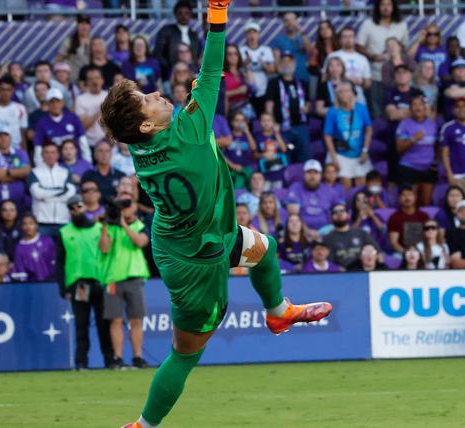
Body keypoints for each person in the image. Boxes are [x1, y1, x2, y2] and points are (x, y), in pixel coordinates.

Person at [100, 6, 332, 427]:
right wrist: (218, 13)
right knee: (184, 354)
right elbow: (211, 69)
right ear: (147, 126)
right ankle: (143, 425)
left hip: (188, 235)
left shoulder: (139, 143)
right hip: (196, 264)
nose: (157, 95)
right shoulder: (190, 131)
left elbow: (142, 118)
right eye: (147, 100)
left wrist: (182, 100)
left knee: (265, 249)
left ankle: (278, 312)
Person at [56, 196, 112, 371]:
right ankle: (81, 362)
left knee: (104, 323)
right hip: (79, 284)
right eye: (71, 208)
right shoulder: (64, 232)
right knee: (81, 324)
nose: (76, 210)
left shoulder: (98, 228)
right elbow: (60, 262)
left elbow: (107, 251)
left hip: (99, 282)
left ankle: (110, 360)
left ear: (85, 207)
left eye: (78, 206)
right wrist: (63, 287)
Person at [99, 192, 151, 370]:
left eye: (127, 205)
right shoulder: (110, 227)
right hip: (113, 279)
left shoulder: (140, 226)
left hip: (134, 277)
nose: (124, 209)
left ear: (135, 207)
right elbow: (104, 248)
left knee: (136, 320)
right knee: (116, 320)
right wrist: (105, 225)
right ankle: (118, 357)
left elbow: (140, 242)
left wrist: (123, 225)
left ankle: (137, 357)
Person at [323, 80, 373, 189]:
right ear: (337, 95)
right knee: (346, 185)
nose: (344, 94)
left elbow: (368, 129)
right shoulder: (332, 111)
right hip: (341, 153)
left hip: (359, 152)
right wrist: (334, 157)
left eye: (347, 91)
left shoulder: (361, 108)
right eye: (341, 92)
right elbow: (327, 135)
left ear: (352, 93)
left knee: (362, 184)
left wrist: (365, 150)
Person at [263, 51, 310, 163]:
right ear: (279, 64)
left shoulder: (302, 82)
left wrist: (307, 108)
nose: (286, 64)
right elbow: (269, 106)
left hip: (301, 127)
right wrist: (273, 123)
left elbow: (308, 102)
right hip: (282, 128)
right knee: (285, 158)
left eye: (289, 61)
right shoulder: (273, 83)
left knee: (304, 158)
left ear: (294, 63)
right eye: (283, 61)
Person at [395, 95, 438, 206]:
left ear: (425, 107)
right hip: (410, 168)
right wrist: (413, 139)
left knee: (426, 203)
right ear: (410, 108)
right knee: (410, 203)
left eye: (420, 104)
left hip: (428, 169)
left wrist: (435, 161)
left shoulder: (432, 124)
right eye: (414, 105)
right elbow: (399, 148)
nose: (417, 107)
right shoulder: (404, 124)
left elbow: (437, 146)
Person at [29, 143, 76, 236]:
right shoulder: (34, 172)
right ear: (42, 155)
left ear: (58, 155)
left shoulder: (65, 172)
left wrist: (46, 197)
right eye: (47, 152)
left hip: (63, 220)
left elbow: (70, 194)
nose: (50, 155)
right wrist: (61, 190)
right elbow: (37, 194)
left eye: (53, 152)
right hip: (42, 222)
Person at [32, 88, 86, 167]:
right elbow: (38, 147)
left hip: (75, 162)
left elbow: (83, 141)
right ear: (47, 104)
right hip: (54, 165)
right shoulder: (42, 123)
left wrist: (87, 161)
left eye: (58, 101)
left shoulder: (73, 118)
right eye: (52, 102)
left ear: (62, 103)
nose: (55, 105)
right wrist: (40, 167)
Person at [287, 159, 343, 233]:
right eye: (309, 172)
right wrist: (307, 231)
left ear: (320, 175)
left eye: (316, 172)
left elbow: (340, 208)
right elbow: (293, 214)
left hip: (326, 230)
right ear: (304, 175)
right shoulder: (296, 188)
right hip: (301, 230)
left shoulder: (328, 190)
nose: (312, 176)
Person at [152, 1, 201, 79]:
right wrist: (169, 68)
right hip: (171, 75)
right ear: (175, 15)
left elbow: (197, 54)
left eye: (186, 13)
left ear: (190, 15)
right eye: (180, 13)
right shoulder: (166, 31)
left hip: (192, 74)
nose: (183, 16)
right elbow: (157, 53)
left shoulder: (194, 35)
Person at [323, 202, 379, 268]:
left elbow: (378, 252)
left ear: (348, 214)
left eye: (342, 211)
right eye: (335, 212)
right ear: (331, 217)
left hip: (362, 271)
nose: (339, 214)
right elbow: (328, 263)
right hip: (340, 273)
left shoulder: (361, 233)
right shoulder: (328, 239)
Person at [0, 128, 30, 209]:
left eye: (6, 135)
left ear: (10, 138)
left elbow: (26, 172)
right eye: (0, 136)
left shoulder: (20, 153)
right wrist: (18, 174)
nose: (3, 138)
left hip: (20, 196)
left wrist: (7, 172)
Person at [239, 21, 275, 113]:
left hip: (264, 90)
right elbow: (235, 68)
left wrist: (263, 64)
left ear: (259, 35)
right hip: (246, 91)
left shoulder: (266, 50)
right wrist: (245, 63)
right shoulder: (241, 50)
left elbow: (273, 70)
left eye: (254, 32)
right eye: (249, 33)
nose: (252, 36)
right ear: (246, 36)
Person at [0, 77, 28, 150]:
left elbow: (22, 133)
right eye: (2, 89)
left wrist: (25, 152)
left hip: (15, 148)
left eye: (9, 90)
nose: (6, 93)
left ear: (13, 90)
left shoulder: (20, 108)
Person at [269, 12, 311, 84]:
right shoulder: (278, 40)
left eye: (292, 20)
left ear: (296, 22)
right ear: (284, 23)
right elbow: (277, 64)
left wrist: (302, 32)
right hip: (286, 81)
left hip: (303, 78)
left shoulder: (303, 38)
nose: (290, 23)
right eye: (287, 21)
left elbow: (309, 51)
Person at [325, 27, 372, 91]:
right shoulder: (332, 56)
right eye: (345, 37)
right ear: (340, 40)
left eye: (351, 36)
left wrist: (361, 82)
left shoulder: (363, 59)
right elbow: (324, 77)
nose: (348, 39)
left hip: (358, 93)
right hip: (336, 92)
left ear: (355, 39)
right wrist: (344, 79)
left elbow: (368, 83)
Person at [387, 186, 429, 254]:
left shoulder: (424, 216)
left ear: (415, 197)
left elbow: (429, 237)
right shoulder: (394, 217)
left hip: (423, 252)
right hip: (402, 252)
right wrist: (407, 253)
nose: (407, 198)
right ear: (399, 198)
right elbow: (394, 242)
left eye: (410, 194)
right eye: (404, 195)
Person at [74, 67, 107, 147]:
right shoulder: (80, 99)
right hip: (90, 143)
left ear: (102, 80)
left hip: (108, 143)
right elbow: (82, 126)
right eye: (90, 79)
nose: (94, 81)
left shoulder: (110, 96)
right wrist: (99, 112)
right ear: (87, 82)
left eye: (97, 78)